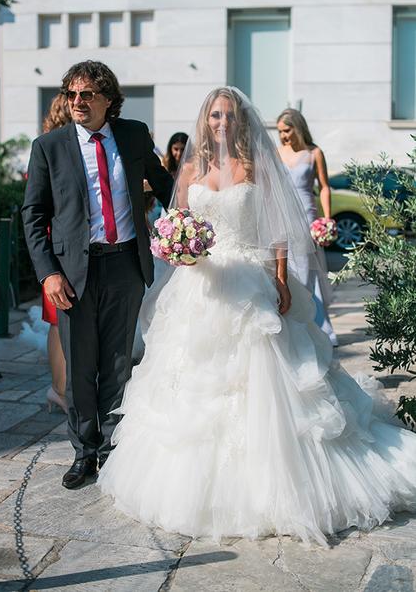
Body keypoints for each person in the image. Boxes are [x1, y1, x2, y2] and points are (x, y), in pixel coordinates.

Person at [99, 87, 416, 547]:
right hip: (201, 284)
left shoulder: (256, 165)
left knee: (267, 377)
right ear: (205, 121)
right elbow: (176, 220)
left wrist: (282, 279)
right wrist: (175, 246)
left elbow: (279, 230)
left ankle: (280, 482)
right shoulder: (191, 168)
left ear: (241, 120)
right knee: (192, 381)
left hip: (251, 277)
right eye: (214, 116)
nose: (222, 123)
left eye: (229, 116)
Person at [22, 60, 173, 489]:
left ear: (108, 98)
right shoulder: (48, 146)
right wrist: (48, 273)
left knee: (118, 364)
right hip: (71, 274)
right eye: (71, 94)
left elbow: (166, 186)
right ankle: (84, 451)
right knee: (80, 366)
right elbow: (33, 215)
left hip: (126, 265)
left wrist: (184, 229)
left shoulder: (133, 135)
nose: (77, 102)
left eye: (86, 94)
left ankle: (110, 450)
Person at [277, 108, 338, 346]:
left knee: (305, 272)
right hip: (282, 216)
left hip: (306, 218)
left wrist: (327, 218)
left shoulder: (314, 153)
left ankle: (318, 328)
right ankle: (293, 325)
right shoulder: (276, 152)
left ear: (298, 127)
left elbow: (324, 186)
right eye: (280, 131)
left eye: (287, 130)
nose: (283, 136)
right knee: (285, 270)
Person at [42, 94, 71, 413]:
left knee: (58, 320)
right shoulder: (51, 147)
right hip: (55, 244)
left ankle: (62, 386)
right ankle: (59, 389)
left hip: (57, 240)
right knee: (56, 319)